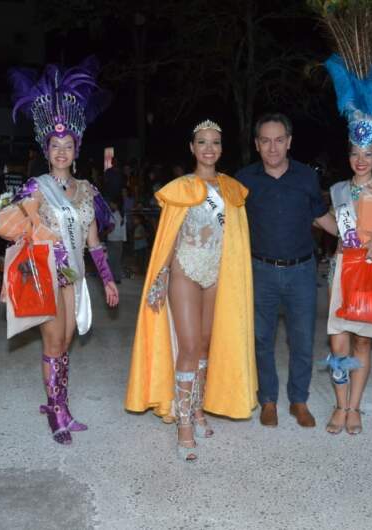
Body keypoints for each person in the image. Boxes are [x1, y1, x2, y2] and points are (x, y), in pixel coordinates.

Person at [125, 120, 257, 461]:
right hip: (185, 268)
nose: (209, 148)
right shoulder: (182, 187)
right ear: (192, 148)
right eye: (202, 142)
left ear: (221, 148)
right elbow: (168, 235)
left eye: (215, 142)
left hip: (216, 273)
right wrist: (161, 273)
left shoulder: (231, 189)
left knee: (205, 345)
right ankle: (183, 420)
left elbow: (235, 239)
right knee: (188, 345)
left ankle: (198, 409)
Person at [9, 58, 119, 445]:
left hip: (75, 279)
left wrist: (106, 279)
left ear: (76, 148)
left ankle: (60, 403)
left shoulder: (87, 190)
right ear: (46, 147)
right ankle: (56, 412)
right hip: (46, 277)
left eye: (67, 145)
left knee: (66, 343)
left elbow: (93, 242)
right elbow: (14, 228)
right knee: (53, 343)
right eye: (54, 145)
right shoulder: (35, 188)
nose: (61, 151)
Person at [316, 6, 372, 435]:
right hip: (340, 272)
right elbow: (336, 228)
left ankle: (354, 407)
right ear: (349, 153)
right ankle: (338, 402)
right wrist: (317, 219)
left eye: (367, 154)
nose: (360, 160)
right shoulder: (337, 191)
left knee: (363, 341)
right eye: (354, 153)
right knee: (337, 342)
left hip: (371, 275)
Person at [236, 113, 334, 428]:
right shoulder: (243, 181)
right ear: (257, 144)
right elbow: (228, 225)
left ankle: (298, 400)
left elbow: (321, 218)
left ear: (289, 142)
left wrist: (356, 237)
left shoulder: (307, 177)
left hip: (301, 271)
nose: (273, 147)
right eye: (266, 140)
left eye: (279, 140)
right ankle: (268, 400)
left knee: (302, 339)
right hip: (260, 270)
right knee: (261, 339)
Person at [106, 199, 126, 283]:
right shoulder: (122, 215)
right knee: (117, 260)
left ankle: (111, 278)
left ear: (116, 205)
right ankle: (117, 278)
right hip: (120, 240)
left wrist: (104, 233)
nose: (110, 206)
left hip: (112, 239)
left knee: (111, 260)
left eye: (111, 204)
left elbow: (111, 227)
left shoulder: (113, 215)